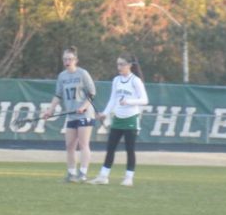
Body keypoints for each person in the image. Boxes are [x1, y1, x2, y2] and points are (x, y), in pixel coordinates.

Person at [88, 53, 148, 187]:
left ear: (129, 66)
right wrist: (105, 113)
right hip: (117, 119)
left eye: (122, 64)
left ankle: (128, 178)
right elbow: (113, 99)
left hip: (131, 119)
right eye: (118, 64)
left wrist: (128, 102)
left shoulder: (135, 81)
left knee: (129, 149)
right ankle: (103, 176)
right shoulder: (116, 80)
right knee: (110, 148)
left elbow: (144, 100)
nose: (119, 67)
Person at [41, 46, 96, 182]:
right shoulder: (62, 76)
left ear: (76, 60)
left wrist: (83, 107)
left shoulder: (82, 73)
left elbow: (92, 92)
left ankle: (82, 173)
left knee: (83, 144)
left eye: (70, 59)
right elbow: (58, 95)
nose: (67, 61)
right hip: (71, 114)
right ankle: (71, 174)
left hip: (85, 114)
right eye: (65, 59)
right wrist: (50, 110)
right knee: (70, 145)